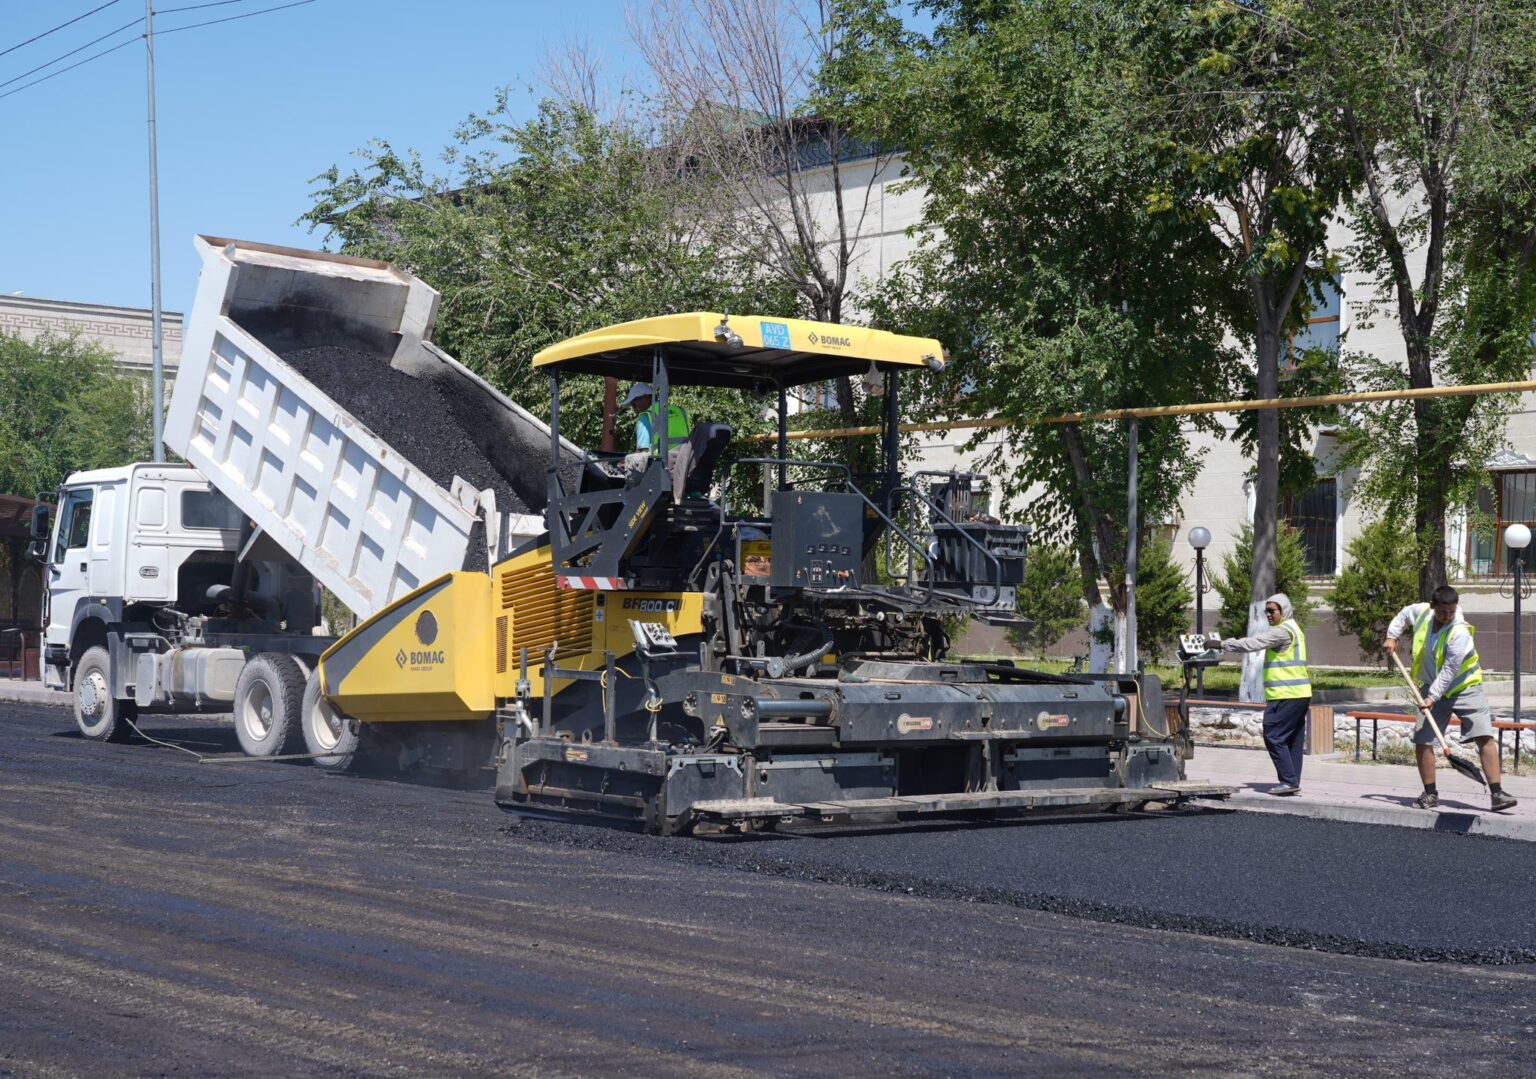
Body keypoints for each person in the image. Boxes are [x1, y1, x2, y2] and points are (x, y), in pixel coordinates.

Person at [1385, 585, 1518, 812]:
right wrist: (1391, 636)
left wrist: (1432, 697)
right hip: (1431, 687)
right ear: (1433, 606)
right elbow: (1405, 614)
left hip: (1465, 689)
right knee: (1423, 740)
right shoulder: (1422, 612)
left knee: (1484, 735)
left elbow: (1449, 670)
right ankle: (1430, 794)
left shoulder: (1459, 632)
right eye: (1442, 611)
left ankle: (1498, 794)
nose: (1447, 615)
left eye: (1451, 611)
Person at [1219, 593, 1310, 795]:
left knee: (1273, 735)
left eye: (1272, 611)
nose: (1268, 614)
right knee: (1293, 740)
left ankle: (1288, 781)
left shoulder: (1282, 632)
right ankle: (1292, 782)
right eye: (1266, 611)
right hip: (1300, 693)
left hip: (1285, 694)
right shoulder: (1294, 628)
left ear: (1283, 611)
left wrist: (1222, 644)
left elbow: (1253, 643)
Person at [621, 383, 694, 502]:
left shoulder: (646, 417)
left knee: (627, 491)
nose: (634, 409)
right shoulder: (680, 411)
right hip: (685, 465)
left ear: (647, 398)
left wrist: (623, 463)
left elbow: (642, 452)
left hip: (663, 468)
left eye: (634, 404)